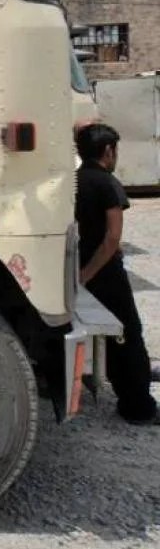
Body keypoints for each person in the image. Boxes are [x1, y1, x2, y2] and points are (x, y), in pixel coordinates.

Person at [74, 123, 158, 425]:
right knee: (129, 336)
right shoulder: (108, 184)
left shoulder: (76, 180)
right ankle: (139, 407)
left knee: (110, 337)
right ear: (109, 151)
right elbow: (112, 238)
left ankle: (129, 385)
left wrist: (81, 274)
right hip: (105, 273)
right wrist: (90, 273)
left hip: (83, 268)